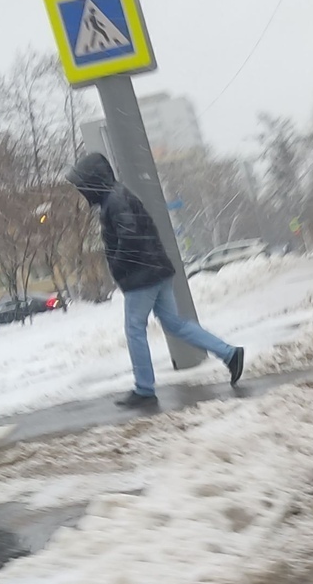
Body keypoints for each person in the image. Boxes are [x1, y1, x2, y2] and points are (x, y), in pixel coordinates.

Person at [68, 153, 244, 410]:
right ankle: (229, 354)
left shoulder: (115, 200)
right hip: (155, 271)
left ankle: (144, 389)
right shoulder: (116, 197)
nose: (82, 191)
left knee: (134, 329)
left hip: (142, 276)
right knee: (175, 324)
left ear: (94, 181)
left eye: (82, 185)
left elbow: (129, 238)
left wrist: (118, 265)